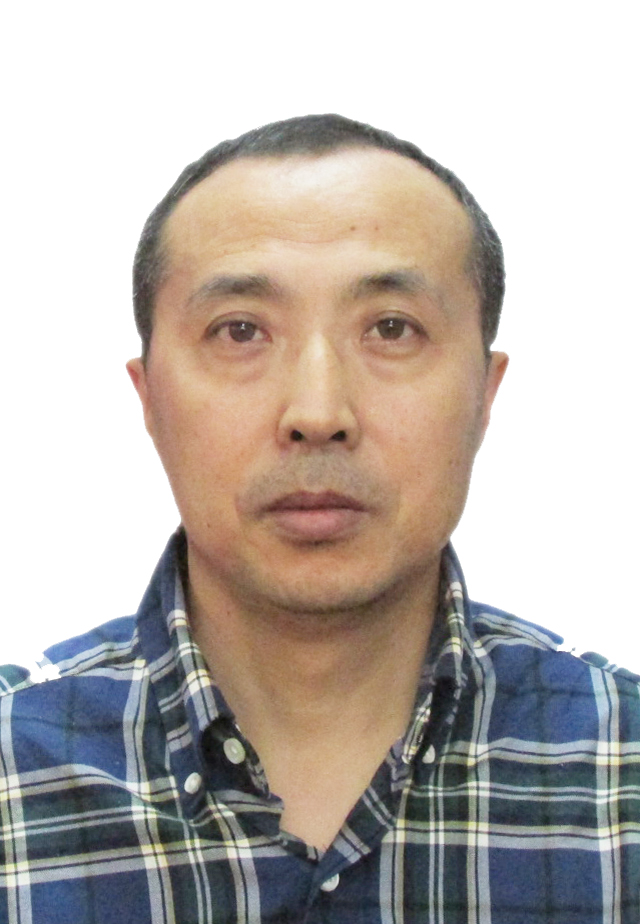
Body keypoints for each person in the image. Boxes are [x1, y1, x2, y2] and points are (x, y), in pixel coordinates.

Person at [1, 114, 639, 924]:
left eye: (391, 329)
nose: (317, 411)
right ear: (149, 399)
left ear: (485, 395)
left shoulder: (622, 773)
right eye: (240, 331)